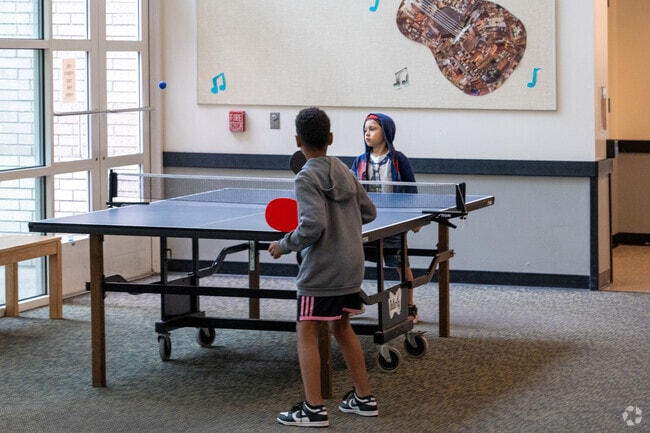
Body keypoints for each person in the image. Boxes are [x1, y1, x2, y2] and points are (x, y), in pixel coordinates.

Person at [269, 107, 379, 428]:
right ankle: (363, 397)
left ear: (297, 141)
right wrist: (345, 224)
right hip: (351, 266)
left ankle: (313, 408)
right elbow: (369, 212)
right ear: (330, 138)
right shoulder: (345, 170)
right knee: (342, 327)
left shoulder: (305, 176)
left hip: (321, 271)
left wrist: (283, 244)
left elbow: (312, 226)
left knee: (306, 330)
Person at [351, 112, 420, 323]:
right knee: (352, 261)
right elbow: (351, 190)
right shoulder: (360, 161)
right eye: (365, 130)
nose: (367, 134)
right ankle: (354, 302)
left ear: (386, 132)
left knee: (401, 264)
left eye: (372, 129)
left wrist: (414, 218)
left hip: (394, 221)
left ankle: (410, 307)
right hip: (366, 221)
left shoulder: (399, 160)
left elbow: (411, 191)